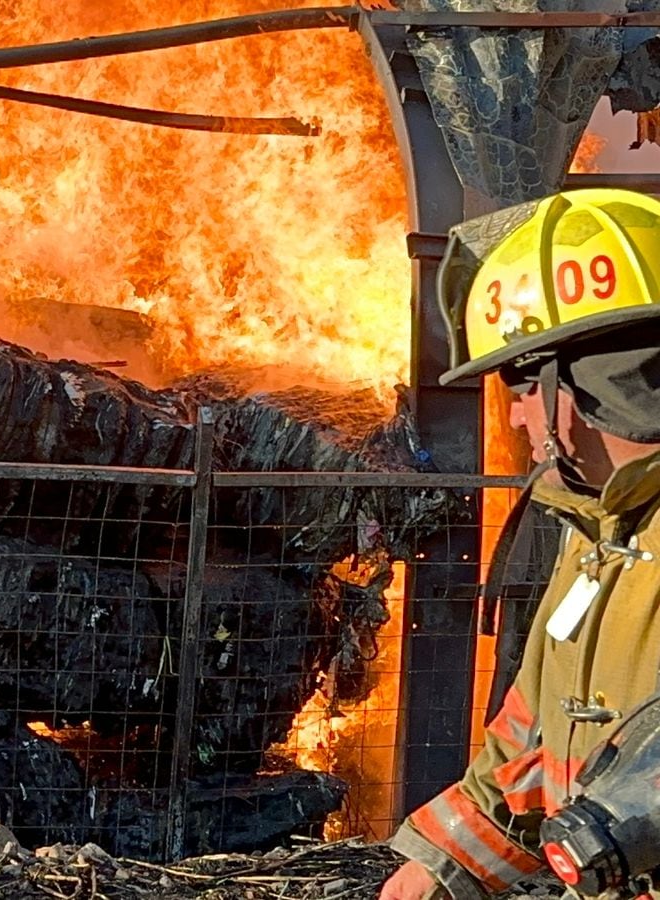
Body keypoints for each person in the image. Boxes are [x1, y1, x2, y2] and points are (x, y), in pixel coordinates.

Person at [380, 188, 660, 899]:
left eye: (521, 381)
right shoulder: (595, 534)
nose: (513, 410)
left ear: (591, 385)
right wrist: (444, 868)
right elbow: (536, 731)